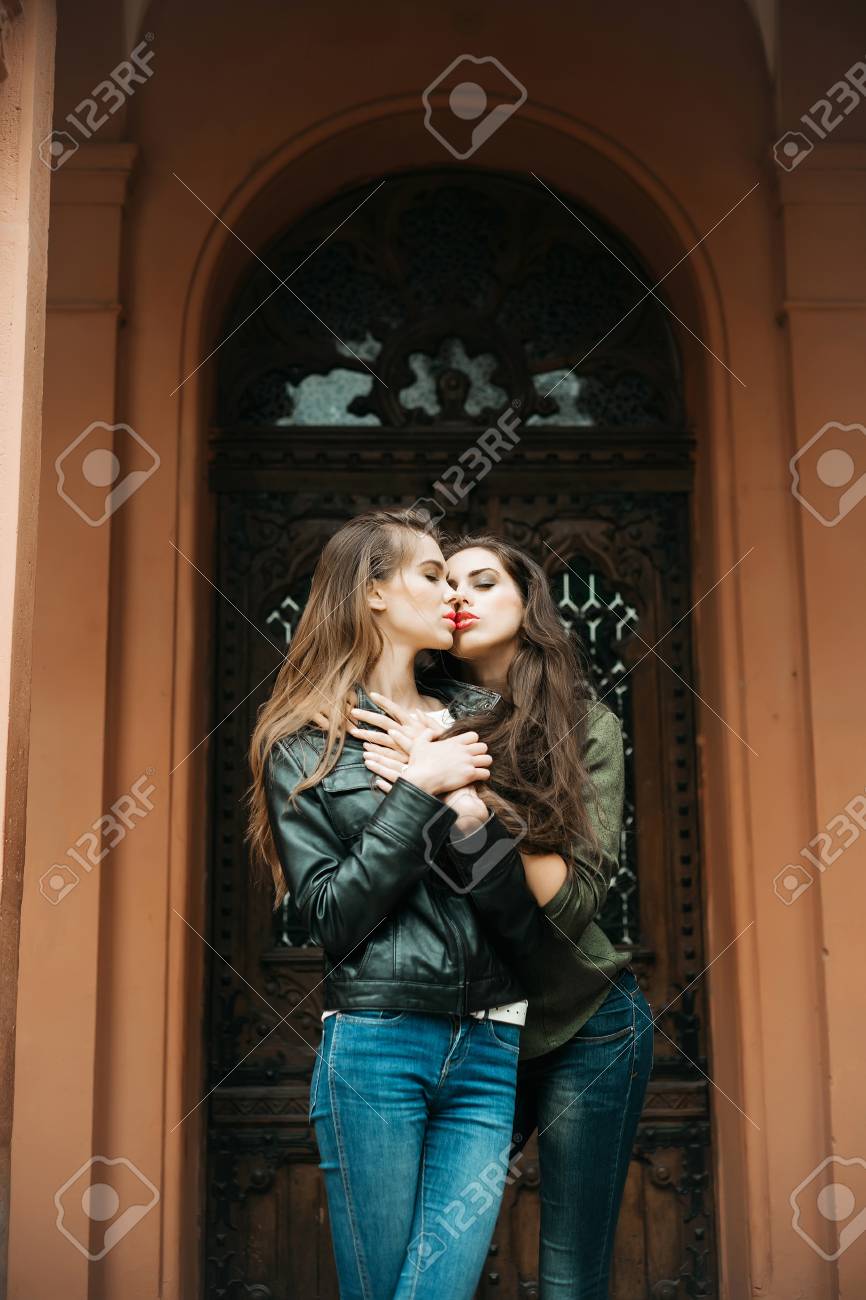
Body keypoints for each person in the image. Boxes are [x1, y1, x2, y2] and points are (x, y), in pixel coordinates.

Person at [245, 509, 546, 1300]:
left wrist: (469, 816)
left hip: (489, 1045)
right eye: (432, 575)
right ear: (373, 591)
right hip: (377, 1043)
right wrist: (417, 789)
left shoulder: (486, 724)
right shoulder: (302, 743)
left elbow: (522, 923)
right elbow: (331, 916)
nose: (453, 594)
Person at [351, 532, 654, 1299]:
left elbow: (574, 903)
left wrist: (467, 798)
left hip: (584, 1026)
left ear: (529, 607)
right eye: (444, 581)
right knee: (427, 1262)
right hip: (467, 1028)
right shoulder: (416, 712)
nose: (458, 595)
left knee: (569, 1275)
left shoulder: (586, 725)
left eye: (483, 582)